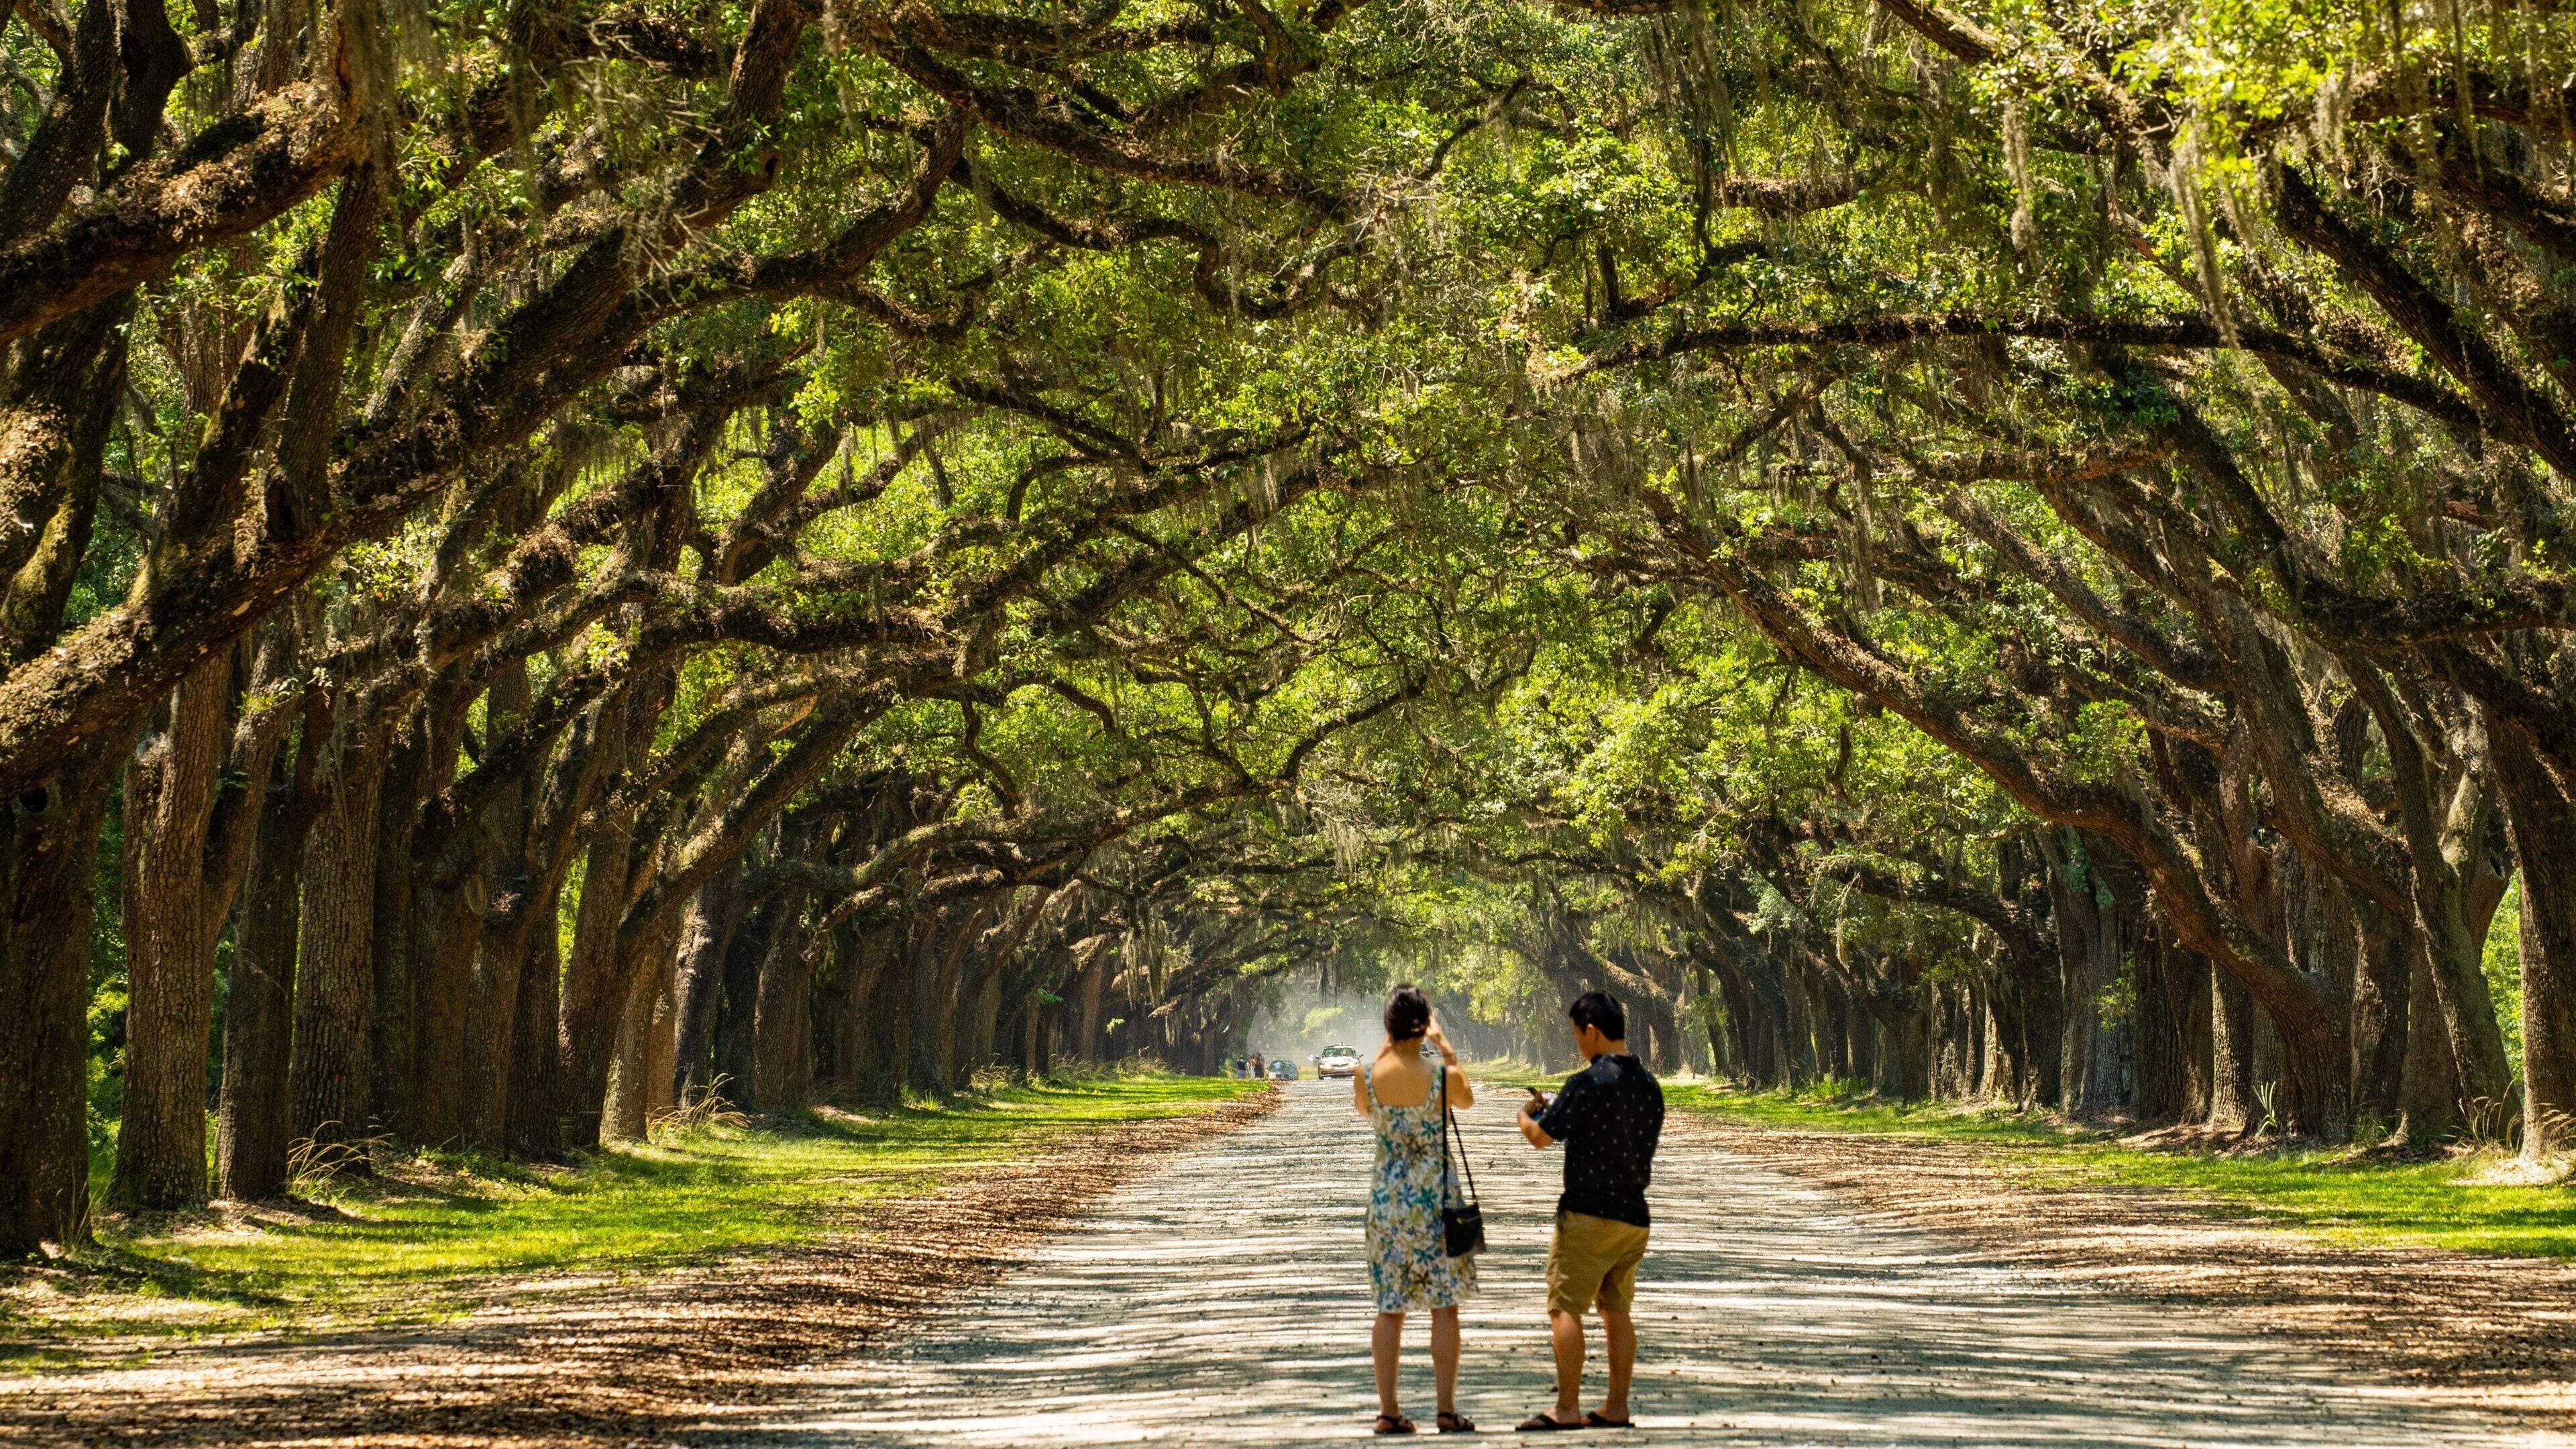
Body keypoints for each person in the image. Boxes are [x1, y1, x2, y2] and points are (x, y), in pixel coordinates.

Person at [1514, 991, 1663, 1432]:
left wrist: (1525, 1114)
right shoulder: (1650, 1086)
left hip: (1586, 1215)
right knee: (1616, 1310)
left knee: (1565, 1308)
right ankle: (1617, 1406)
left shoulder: (1586, 1083)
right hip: (1634, 1218)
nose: (1578, 1043)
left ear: (1592, 1032)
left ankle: (1566, 1409)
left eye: (1577, 1034)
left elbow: (1541, 1137)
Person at [1355, 983, 1478, 1434]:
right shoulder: (1441, 1078)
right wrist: (1445, 1047)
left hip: (1388, 1205)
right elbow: (1466, 1099)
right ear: (1424, 1026)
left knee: (1390, 1308)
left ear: (1388, 1026)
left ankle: (1388, 1411)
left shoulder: (1366, 1076)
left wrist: (1386, 1045)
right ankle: (1445, 1411)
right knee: (1444, 1306)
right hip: (1436, 1201)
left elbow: (1364, 1108)